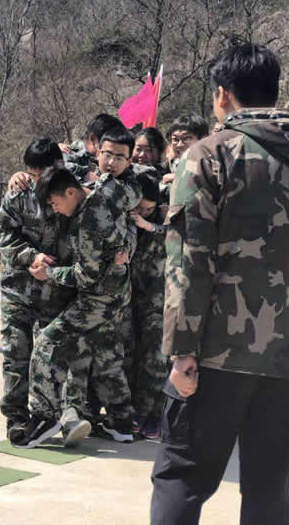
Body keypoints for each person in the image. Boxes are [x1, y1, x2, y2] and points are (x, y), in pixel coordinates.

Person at [151, 44, 289, 525]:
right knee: (269, 489)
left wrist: (181, 351)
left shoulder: (209, 156)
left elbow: (188, 262)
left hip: (214, 356)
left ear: (222, 94)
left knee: (181, 478)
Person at [26, 125, 141, 447]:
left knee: (47, 343)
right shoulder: (109, 191)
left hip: (99, 298)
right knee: (106, 358)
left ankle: (44, 416)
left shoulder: (88, 220)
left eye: (54, 203)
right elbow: (130, 193)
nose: (55, 210)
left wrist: (50, 274)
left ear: (70, 193)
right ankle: (121, 424)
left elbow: (86, 275)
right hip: (118, 292)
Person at [0, 138, 75, 444]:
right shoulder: (20, 192)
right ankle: (16, 417)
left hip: (57, 288)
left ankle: (50, 414)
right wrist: (30, 256)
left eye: (43, 175)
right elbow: (0, 233)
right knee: (16, 351)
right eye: (32, 174)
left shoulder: (72, 190)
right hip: (18, 287)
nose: (37, 181)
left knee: (51, 355)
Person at [128, 172, 169, 439]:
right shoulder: (125, 217)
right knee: (132, 357)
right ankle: (135, 412)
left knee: (155, 359)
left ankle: (152, 414)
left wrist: (149, 224)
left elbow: (176, 232)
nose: (143, 212)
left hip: (158, 301)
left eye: (148, 209)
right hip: (130, 298)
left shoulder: (161, 220)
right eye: (140, 208)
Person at [161, 114, 209, 188]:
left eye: (186, 138)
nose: (179, 145)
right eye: (175, 139)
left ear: (203, 139)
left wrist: (180, 178)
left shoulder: (213, 165)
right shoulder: (170, 167)